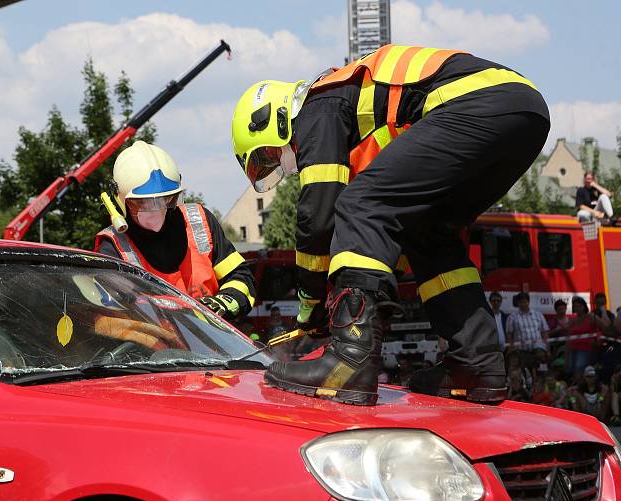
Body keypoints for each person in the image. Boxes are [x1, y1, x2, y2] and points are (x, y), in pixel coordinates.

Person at [231, 44, 549, 405]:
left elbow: (320, 215)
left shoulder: (319, 103)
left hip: (477, 102)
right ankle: (476, 366)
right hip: (521, 111)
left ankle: (350, 360)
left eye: (271, 155)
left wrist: (312, 306)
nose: (284, 166)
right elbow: (379, 241)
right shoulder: (356, 115)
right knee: (428, 232)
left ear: (275, 117)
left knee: (359, 203)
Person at [95, 141, 256, 321]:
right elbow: (111, 316)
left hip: (216, 344)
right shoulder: (113, 246)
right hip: (155, 348)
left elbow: (241, 277)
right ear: (121, 200)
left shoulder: (200, 221)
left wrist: (222, 304)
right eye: (142, 203)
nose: (156, 210)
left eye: (165, 200)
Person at [506, 292, 549, 368]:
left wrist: (547, 348)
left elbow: (545, 332)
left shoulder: (538, 314)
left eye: (525, 302)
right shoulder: (512, 317)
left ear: (528, 302)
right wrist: (511, 351)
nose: (523, 304)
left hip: (539, 351)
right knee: (525, 374)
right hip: (521, 351)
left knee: (542, 372)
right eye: (520, 302)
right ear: (517, 303)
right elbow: (509, 335)